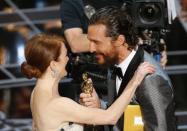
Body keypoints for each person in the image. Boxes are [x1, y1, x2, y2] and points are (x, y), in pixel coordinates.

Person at [21, 34, 155, 131]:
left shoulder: (36, 93)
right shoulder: (58, 104)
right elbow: (111, 117)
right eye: (65, 56)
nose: (68, 59)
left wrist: (82, 109)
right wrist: (136, 79)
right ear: (53, 65)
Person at [80, 6, 176, 131]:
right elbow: (122, 113)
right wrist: (100, 106)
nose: (91, 49)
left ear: (120, 40)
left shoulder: (151, 79)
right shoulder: (114, 64)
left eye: (97, 42)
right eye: (90, 41)